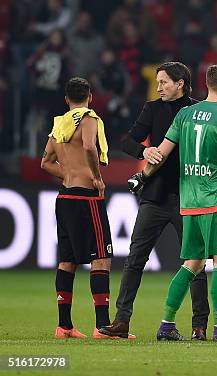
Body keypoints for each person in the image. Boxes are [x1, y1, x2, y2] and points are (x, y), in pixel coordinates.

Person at [128, 64, 217, 342]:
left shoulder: (185, 115)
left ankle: (166, 325)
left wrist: (141, 176)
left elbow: (160, 154)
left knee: (192, 263)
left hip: (189, 201)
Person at [99, 62, 210, 340]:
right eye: (158, 82)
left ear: (180, 83)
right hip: (155, 197)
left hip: (189, 197)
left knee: (195, 263)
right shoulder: (152, 109)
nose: (158, 87)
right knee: (135, 259)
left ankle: (200, 326)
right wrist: (144, 151)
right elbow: (127, 142)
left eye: (164, 82)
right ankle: (121, 321)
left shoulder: (198, 111)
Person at [40, 77, 115, 339]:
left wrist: (69, 174)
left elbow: (46, 162)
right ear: (90, 97)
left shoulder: (59, 124)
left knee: (67, 260)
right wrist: (95, 177)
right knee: (101, 259)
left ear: (66, 99)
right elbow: (87, 146)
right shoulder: (89, 118)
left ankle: (64, 326)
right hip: (87, 197)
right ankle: (103, 326)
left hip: (65, 198)